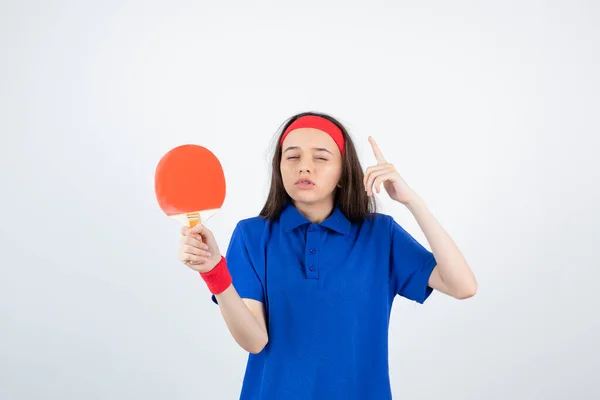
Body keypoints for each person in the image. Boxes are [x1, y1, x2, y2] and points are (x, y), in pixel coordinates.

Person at [177, 111, 477, 399]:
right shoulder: (252, 236)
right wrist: (214, 270)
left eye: (321, 157)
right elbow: (254, 341)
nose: (304, 167)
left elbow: (463, 286)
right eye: (292, 156)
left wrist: (411, 200)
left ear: (344, 174)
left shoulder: (380, 235)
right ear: (279, 169)